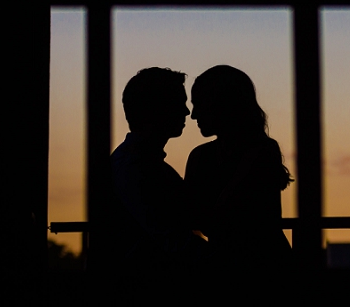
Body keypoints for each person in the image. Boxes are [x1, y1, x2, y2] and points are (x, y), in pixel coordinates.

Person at [185, 65, 293, 269]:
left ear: (222, 104)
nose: (193, 115)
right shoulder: (263, 150)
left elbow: (203, 219)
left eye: (199, 104)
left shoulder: (202, 157)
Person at [107, 67, 206, 270]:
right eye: (179, 103)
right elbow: (172, 238)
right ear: (156, 109)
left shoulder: (138, 164)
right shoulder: (134, 168)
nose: (186, 111)